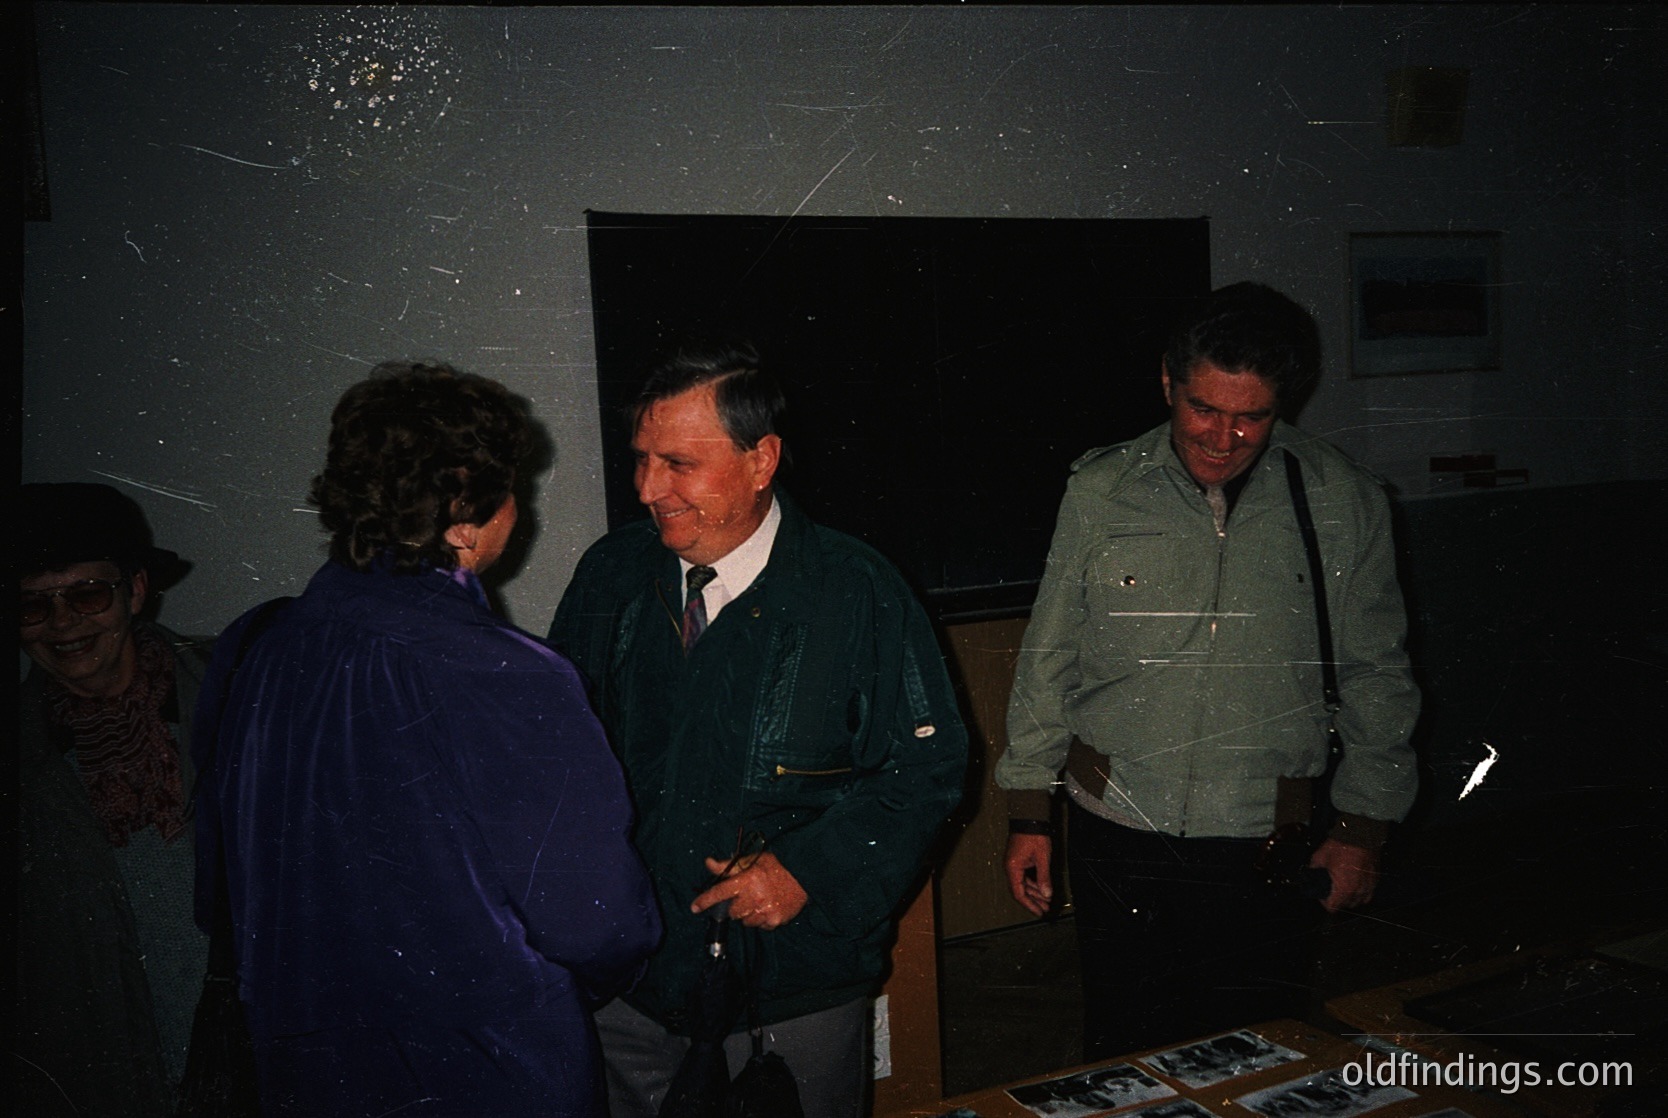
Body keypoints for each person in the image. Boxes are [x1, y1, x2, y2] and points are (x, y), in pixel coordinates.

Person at [194, 362, 661, 1117]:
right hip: (487, 1078)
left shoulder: (257, 645)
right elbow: (598, 922)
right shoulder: (505, 674)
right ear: (467, 515)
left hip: (305, 1074)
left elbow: (219, 890)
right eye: (517, 488)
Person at [996, 282, 1420, 1058]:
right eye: (1203, 409)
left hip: (1262, 838)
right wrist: (1030, 809)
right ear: (1168, 381)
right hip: (1117, 831)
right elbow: (1049, 653)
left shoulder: (1344, 502)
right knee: (1124, 1051)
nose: (1223, 439)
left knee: (1253, 1053)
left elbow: (1378, 676)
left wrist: (1362, 828)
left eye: (1250, 417)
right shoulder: (1101, 489)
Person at [549, 340, 969, 1118]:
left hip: (791, 989)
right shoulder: (611, 576)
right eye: (641, 459)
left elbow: (929, 773)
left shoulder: (858, 592)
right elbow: (555, 756)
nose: (647, 489)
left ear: (761, 459)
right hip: (630, 981)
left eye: (678, 463)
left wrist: (807, 868)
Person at [15, 482, 210, 1117]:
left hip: (247, 1068)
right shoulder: (18, 761)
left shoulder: (232, 698)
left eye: (87, 594)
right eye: (32, 607)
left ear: (134, 591)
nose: (64, 623)